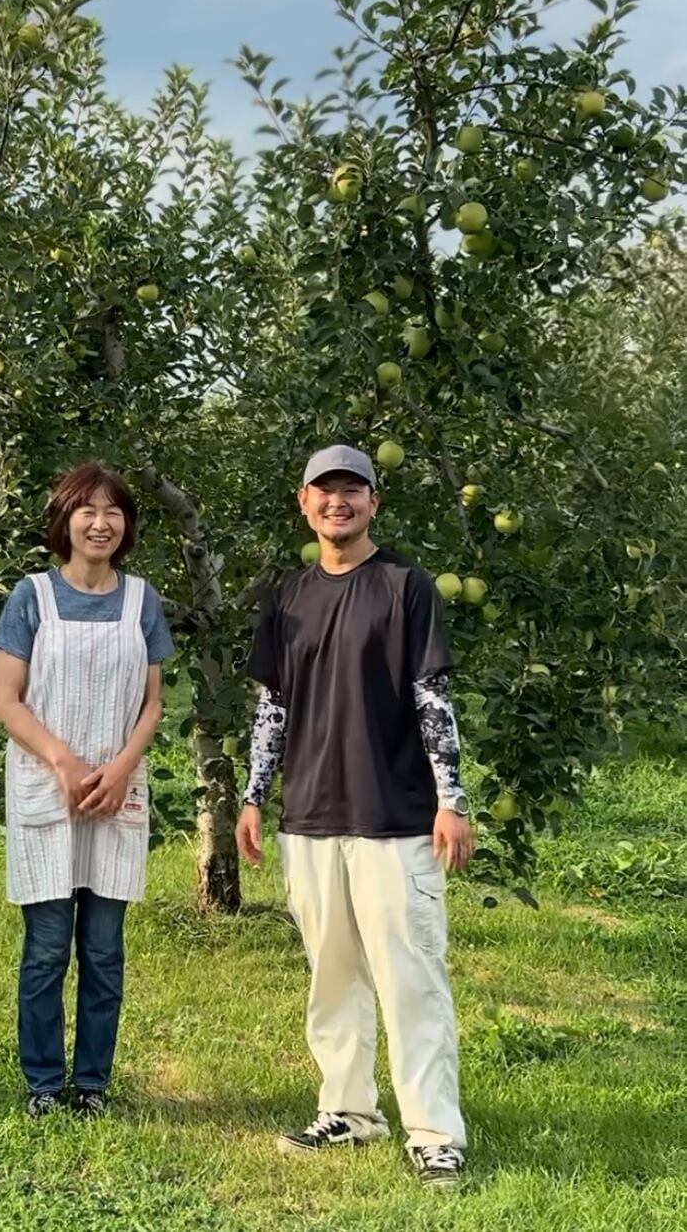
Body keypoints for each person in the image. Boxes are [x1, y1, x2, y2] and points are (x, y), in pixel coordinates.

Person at [236, 444, 474, 1190]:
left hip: (395, 817)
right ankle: (348, 1111)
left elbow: (432, 698)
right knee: (332, 977)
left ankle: (434, 1133)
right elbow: (273, 706)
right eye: (324, 490)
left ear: (374, 502)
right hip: (308, 816)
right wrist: (253, 794)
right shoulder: (288, 597)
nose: (337, 502)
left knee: (410, 980)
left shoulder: (406, 586)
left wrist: (452, 800)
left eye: (352, 490)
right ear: (304, 503)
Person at [0, 462, 173, 1118]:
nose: (101, 523)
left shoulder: (141, 601)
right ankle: (43, 1083)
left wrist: (120, 768)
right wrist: (65, 763)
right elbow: (6, 700)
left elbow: (153, 703)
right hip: (49, 788)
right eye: (87, 511)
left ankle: (92, 1083)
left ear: (126, 525)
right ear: (64, 521)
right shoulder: (31, 597)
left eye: (113, 511)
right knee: (46, 952)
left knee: (103, 951)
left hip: (116, 792)